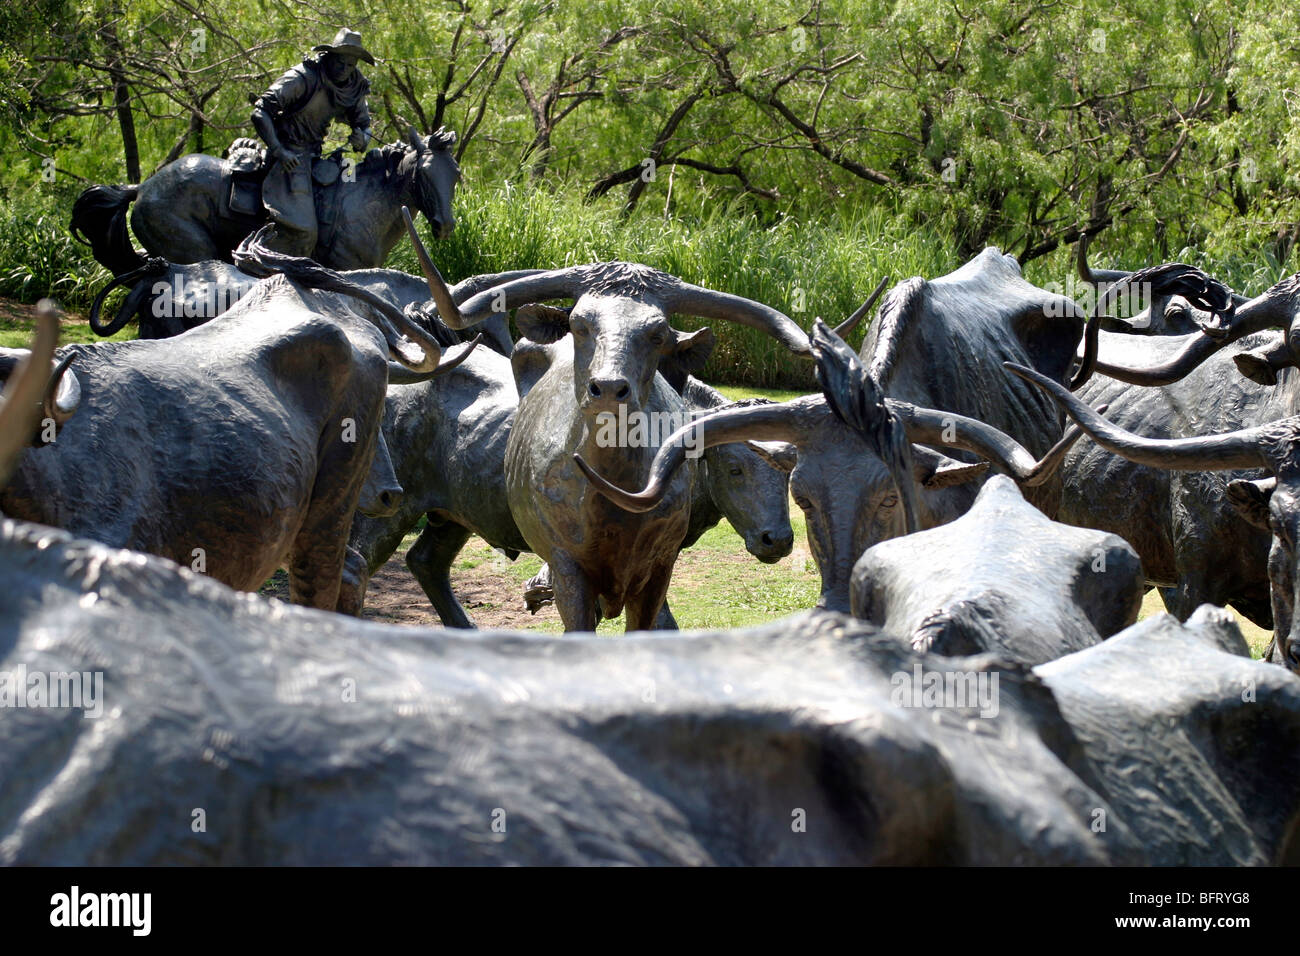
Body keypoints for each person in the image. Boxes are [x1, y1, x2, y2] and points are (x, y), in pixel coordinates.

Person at [251, 29, 375, 257]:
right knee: (305, 232)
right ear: (329, 56)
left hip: (315, 156)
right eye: (340, 62)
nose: (344, 69)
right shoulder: (304, 76)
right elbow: (260, 111)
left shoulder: (353, 86)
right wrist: (279, 151)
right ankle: (263, 265)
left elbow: (364, 126)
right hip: (290, 155)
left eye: (350, 65)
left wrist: (362, 138)